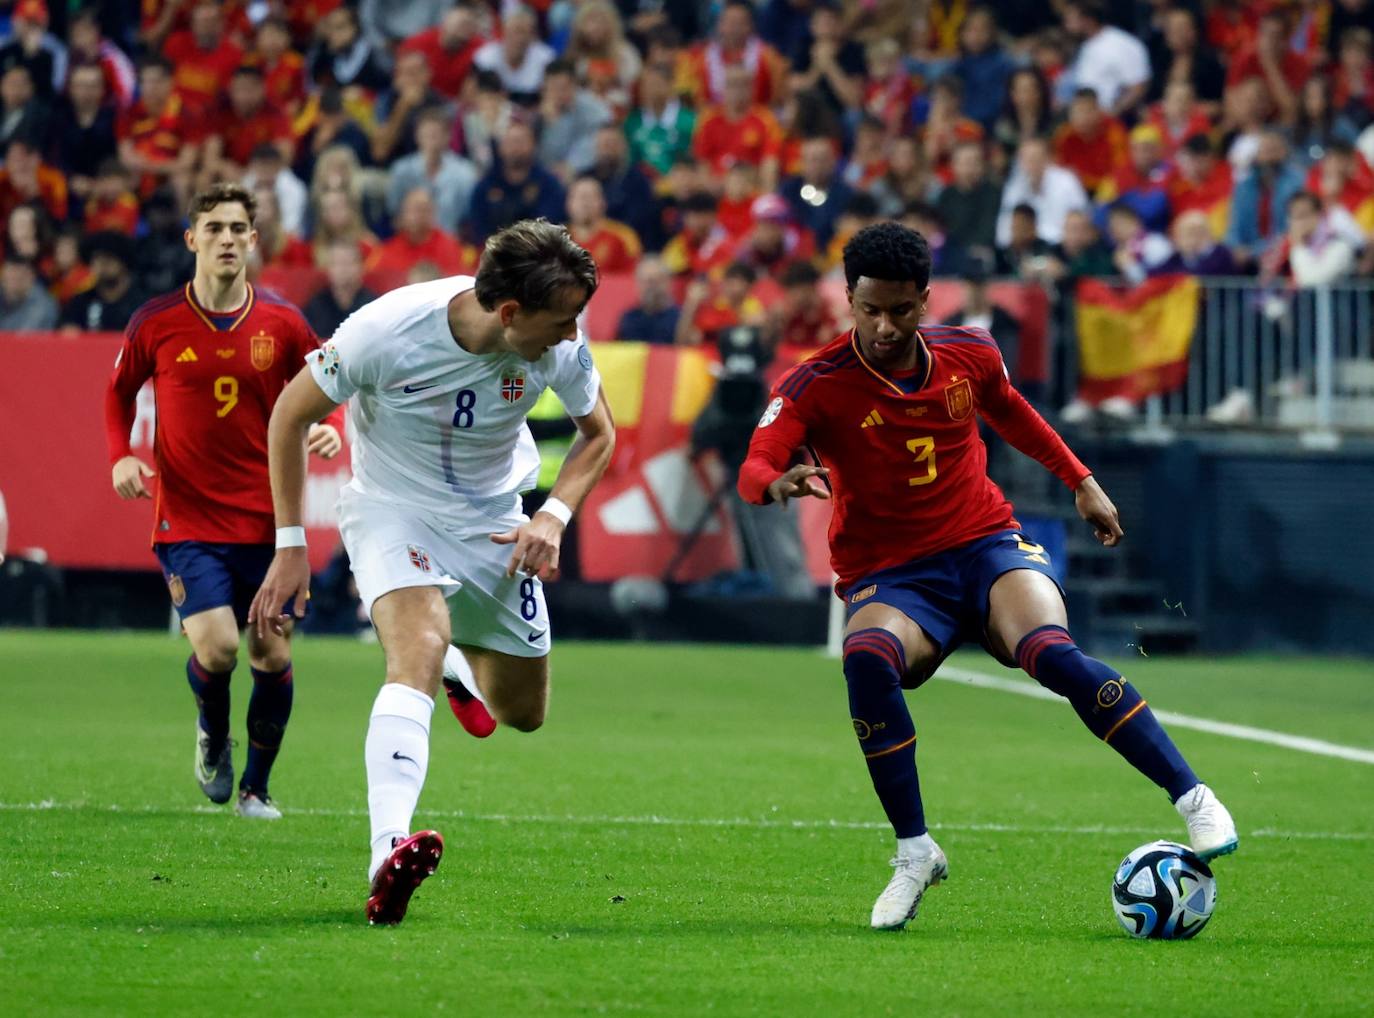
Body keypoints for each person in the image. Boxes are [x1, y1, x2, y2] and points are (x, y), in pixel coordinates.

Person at [735, 222, 1238, 930]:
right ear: (848, 298)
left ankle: (1193, 798)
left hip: (985, 544)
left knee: (1051, 654)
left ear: (924, 300)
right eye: (870, 309)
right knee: (866, 659)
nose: (885, 326)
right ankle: (915, 852)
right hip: (892, 574)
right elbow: (754, 463)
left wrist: (1082, 480)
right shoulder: (815, 384)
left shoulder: (968, 353)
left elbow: (1015, 414)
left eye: (901, 310)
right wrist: (776, 481)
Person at [248, 219, 616, 926]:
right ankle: (389, 851)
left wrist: (554, 515)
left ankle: (456, 665)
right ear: (510, 314)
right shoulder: (383, 332)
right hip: (393, 510)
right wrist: (290, 544)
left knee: (523, 713)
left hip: (493, 522)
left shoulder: (561, 344)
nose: (572, 337)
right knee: (412, 645)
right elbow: (289, 416)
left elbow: (599, 434)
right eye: (560, 322)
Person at [103, 183, 345, 820]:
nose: (228, 239)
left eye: (239, 228)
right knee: (218, 649)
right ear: (193, 239)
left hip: (270, 524)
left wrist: (330, 425)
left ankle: (256, 791)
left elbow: (332, 378)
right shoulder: (155, 321)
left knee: (271, 651)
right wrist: (122, 454)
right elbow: (117, 393)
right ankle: (213, 734)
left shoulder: (282, 322)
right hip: (187, 522)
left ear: (254, 240)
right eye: (214, 228)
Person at [60, 231, 143, 332]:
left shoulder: (142, 305)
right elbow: (65, 330)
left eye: (110, 256)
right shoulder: (80, 303)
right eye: (97, 257)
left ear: (124, 261)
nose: (103, 262)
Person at [306, 241, 377, 339]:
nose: (343, 269)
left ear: (361, 267)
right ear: (328, 269)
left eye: (349, 263)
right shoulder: (316, 305)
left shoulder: (373, 305)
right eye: (337, 263)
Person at [616, 254, 680, 344]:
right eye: (645, 282)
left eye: (656, 281)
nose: (650, 287)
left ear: (668, 283)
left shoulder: (680, 319)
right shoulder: (629, 319)